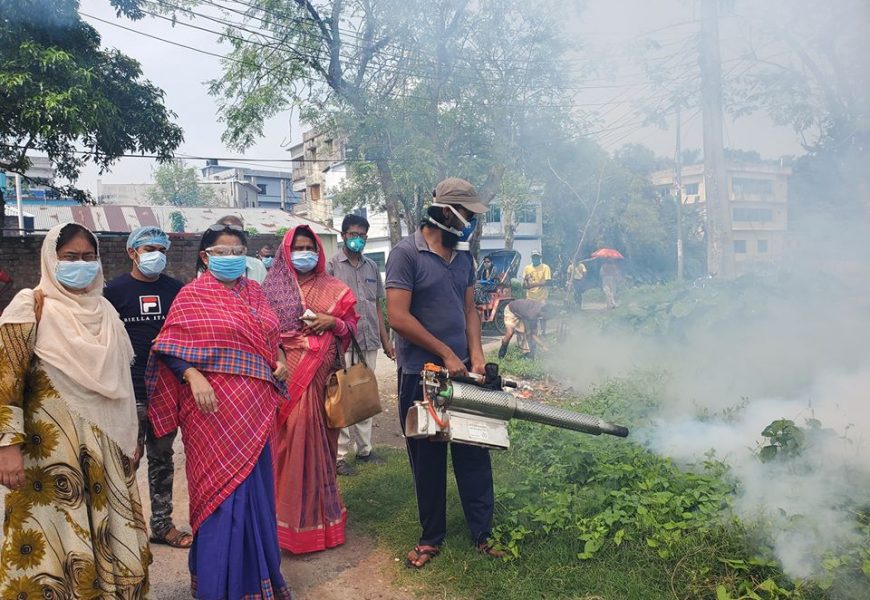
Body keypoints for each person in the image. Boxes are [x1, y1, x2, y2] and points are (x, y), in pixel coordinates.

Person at [0, 223, 150, 597]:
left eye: (88, 257)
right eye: (69, 257)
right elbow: (6, 381)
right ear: (51, 260)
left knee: (111, 536)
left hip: (106, 449)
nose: (80, 265)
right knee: (52, 542)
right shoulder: (29, 306)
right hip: (48, 457)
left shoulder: (106, 312)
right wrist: (7, 447)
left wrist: (131, 435)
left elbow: (121, 385)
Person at [146, 223, 292, 599]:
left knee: (256, 496)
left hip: (255, 412)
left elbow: (271, 337)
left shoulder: (256, 293)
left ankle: (256, 583)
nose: (231, 258)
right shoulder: (191, 296)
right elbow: (167, 346)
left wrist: (279, 359)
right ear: (205, 256)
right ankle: (216, 586)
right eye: (222, 252)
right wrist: (192, 374)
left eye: (237, 251)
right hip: (211, 414)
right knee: (219, 497)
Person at [386, 177, 502, 569]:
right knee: (428, 459)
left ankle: (483, 534)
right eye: (468, 215)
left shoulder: (464, 258)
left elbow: (469, 310)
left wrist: (475, 355)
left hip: (462, 373)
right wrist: (445, 353)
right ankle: (430, 538)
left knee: (474, 453)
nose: (471, 223)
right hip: (421, 375)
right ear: (447, 213)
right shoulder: (406, 254)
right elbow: (397, 316)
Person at [263, 224, 359, 554]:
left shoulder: (334, 287)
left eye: (310, 247)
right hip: (286, 376)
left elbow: (351, 327)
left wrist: (333, 322)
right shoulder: (271, 288)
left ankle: (321, 522)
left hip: (321, 378)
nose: (304, 253)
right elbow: (263, 332)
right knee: (287, 444)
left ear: (318, 251)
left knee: (319, 447)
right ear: (285, 252)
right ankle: (283, 522)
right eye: (297, 248)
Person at [104, 226, 191, 550]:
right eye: (149, 249)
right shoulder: (113, 292)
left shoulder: (177, 290)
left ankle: (161, 525)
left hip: (164, 391)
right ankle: (122, 528)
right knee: (124, 461)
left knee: (162, 459)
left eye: (162, 250)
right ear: (132, 252)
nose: (157, 255)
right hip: (126, 392)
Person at [326, 214, 395, 477]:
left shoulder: (371, 267)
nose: (358, 240)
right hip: (342, 342)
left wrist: (386, 341)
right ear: (343, 235)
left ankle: (365, 450)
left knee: (365, 394)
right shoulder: (332, 267)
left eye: (362, 236)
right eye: (353, 235)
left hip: (369, 340)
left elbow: (376, 305)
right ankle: (339, 457)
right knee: (343, 396)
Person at [214, 215, 268, 283]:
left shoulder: (257, 266)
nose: (234, 239)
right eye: (228, 233)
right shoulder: (209, 266)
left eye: (239, 234)